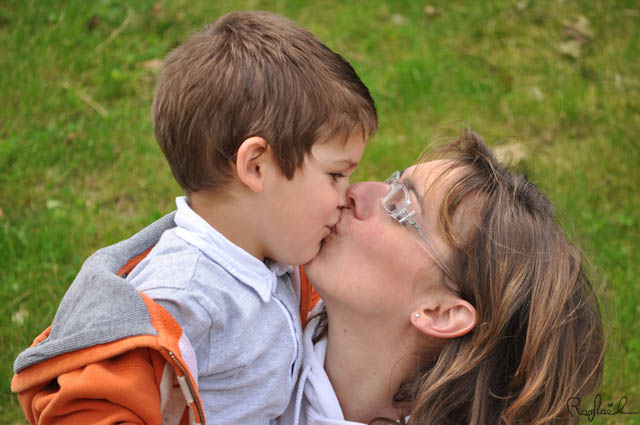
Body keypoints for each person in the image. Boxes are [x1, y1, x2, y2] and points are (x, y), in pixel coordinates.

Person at [12, 11, 377, 425]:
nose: (346, 196)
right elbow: (93, 407)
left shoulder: (271, 260)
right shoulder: (183, 296)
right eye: (336, 175)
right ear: (256, 166)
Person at [280, 130, 605, 425]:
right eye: (392, 184)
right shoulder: (268, 278)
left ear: (441, 312)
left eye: (399, 210)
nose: (357, 190)